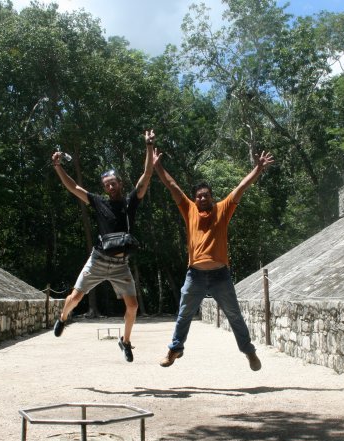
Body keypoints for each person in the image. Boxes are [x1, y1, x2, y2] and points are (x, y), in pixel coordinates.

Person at [153, 146, 274, 371]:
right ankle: (175, 349)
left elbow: (241, 187)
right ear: (195, 199)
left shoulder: (223, 209)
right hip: (195, 275)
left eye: (206, 195)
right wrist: (157, 165)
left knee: (234, 315)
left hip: (220, 275)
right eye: (199, 196)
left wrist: (257, 170)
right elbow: (172, 185)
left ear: (211, 197)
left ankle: (249, 351)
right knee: (184, 314)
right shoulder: (188, 209)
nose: (202, 198)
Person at [50, 130, 155, 362]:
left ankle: (125, 341)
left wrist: (148, 145)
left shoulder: (130, 202)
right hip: (98, 260)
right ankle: (63, 318)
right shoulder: (98, 202)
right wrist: (58, 167)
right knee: (75, 298)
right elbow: (74, 188)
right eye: (106, 184)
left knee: (133, 306)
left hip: (120, 264)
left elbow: (147, 175)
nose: (110, 187)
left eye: (113, 183)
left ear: (120, 183)